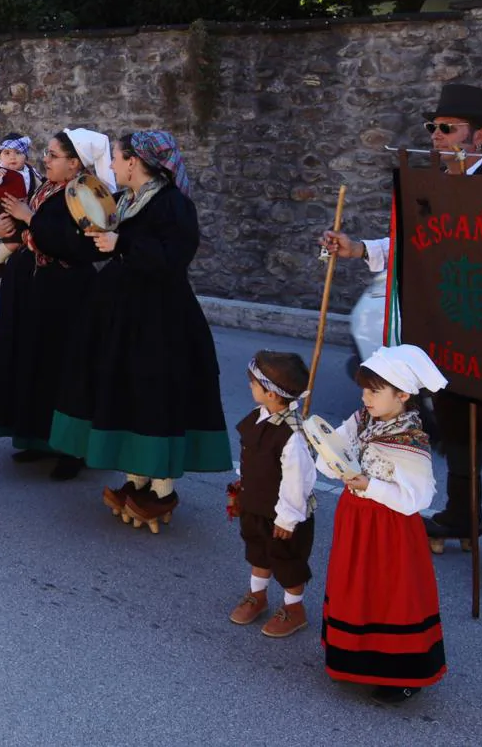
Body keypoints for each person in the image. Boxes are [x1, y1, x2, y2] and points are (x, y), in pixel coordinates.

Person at [320, 82, 482, 591]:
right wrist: (357, 250)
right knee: (457, 428)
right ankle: (464, 518)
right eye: (434, 129)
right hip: (447, 330)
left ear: (480, 136)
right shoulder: (430, 189)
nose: (437, 138)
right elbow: (408, 242)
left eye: (448, 129)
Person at [52, 131, 230, 527]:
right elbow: (102, 241)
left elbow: (174, 257)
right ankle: (135, 478)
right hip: (121, 316)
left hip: (160, 319)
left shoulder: (174, 205)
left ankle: (161, 488)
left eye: (116, 158)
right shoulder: (123, 202)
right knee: (124, 391)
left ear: (134, 161)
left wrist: (122, 245)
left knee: (154, 394)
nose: (112, 166)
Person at [319, 345, 449, 703]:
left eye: (375, 390)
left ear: (403, 394)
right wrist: (326, 450)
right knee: (355, 586)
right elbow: (334, 449)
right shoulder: (362, 419)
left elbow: (420, 498)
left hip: (389, 528)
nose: (365, 397)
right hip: (356, 519)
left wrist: (369, 485)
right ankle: (353, 660)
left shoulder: (409, 442)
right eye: (364, 389)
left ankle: (403, 675)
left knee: (391, 594)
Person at [0, 128, 108, 477]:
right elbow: (26, 232)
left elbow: (81, 246)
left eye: (53, 155)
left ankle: (73, 451)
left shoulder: (86, 195)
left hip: (67, 295)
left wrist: (30, 218)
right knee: (33, 363)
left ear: (74, 163)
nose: (45, 160)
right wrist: (2, 229)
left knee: (65, 369)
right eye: (48, 154)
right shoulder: (47, 188)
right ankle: (38, 438)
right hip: (33, 290)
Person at [227, 351, 317, 640]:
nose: (250, 388)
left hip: (283, 515)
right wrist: (242, 486)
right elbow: (251, 457)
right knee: (257, 550)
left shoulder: (292, 436)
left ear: (271, 393)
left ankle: (294, 608)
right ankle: (258, 596)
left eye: (254, 384)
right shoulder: (258, 417)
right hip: (256, 504)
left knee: (287, 561)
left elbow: (297, 481)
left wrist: (288, 519)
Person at [0, 133, 39, 265]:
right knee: (13, 241)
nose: (12, 157)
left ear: (25, 155)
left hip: (26, 210)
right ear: (0, 156)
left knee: (25, 238)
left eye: (18, 153)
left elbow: (39, 184)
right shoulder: (1, 171)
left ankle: (12, 262)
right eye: (7, 153)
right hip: (6, 212)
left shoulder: (30, 171)